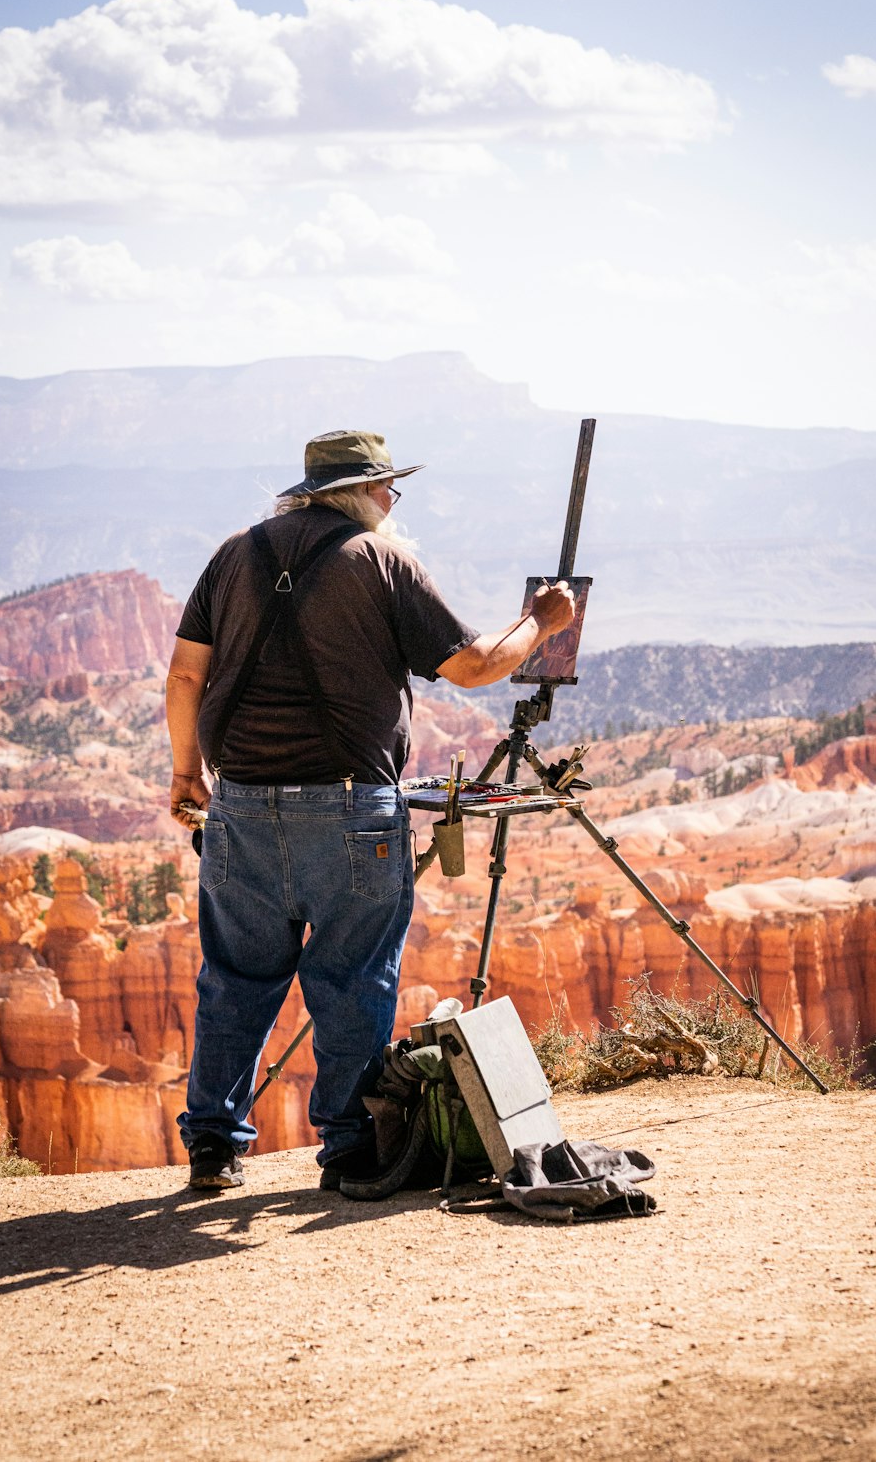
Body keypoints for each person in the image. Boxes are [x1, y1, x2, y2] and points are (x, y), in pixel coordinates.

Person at [166, 429, 574, 1191]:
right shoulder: (381, 559)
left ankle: (214, 1145)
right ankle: (350, 1149)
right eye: (389, 487)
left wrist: (187, 773)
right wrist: (541, 623)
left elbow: (187, 675)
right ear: (360, 492)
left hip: (241, 805)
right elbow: (477, 665)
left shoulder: (233, 555)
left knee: (234, 981)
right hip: (351, 807)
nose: (393, 500)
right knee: (353, 982)